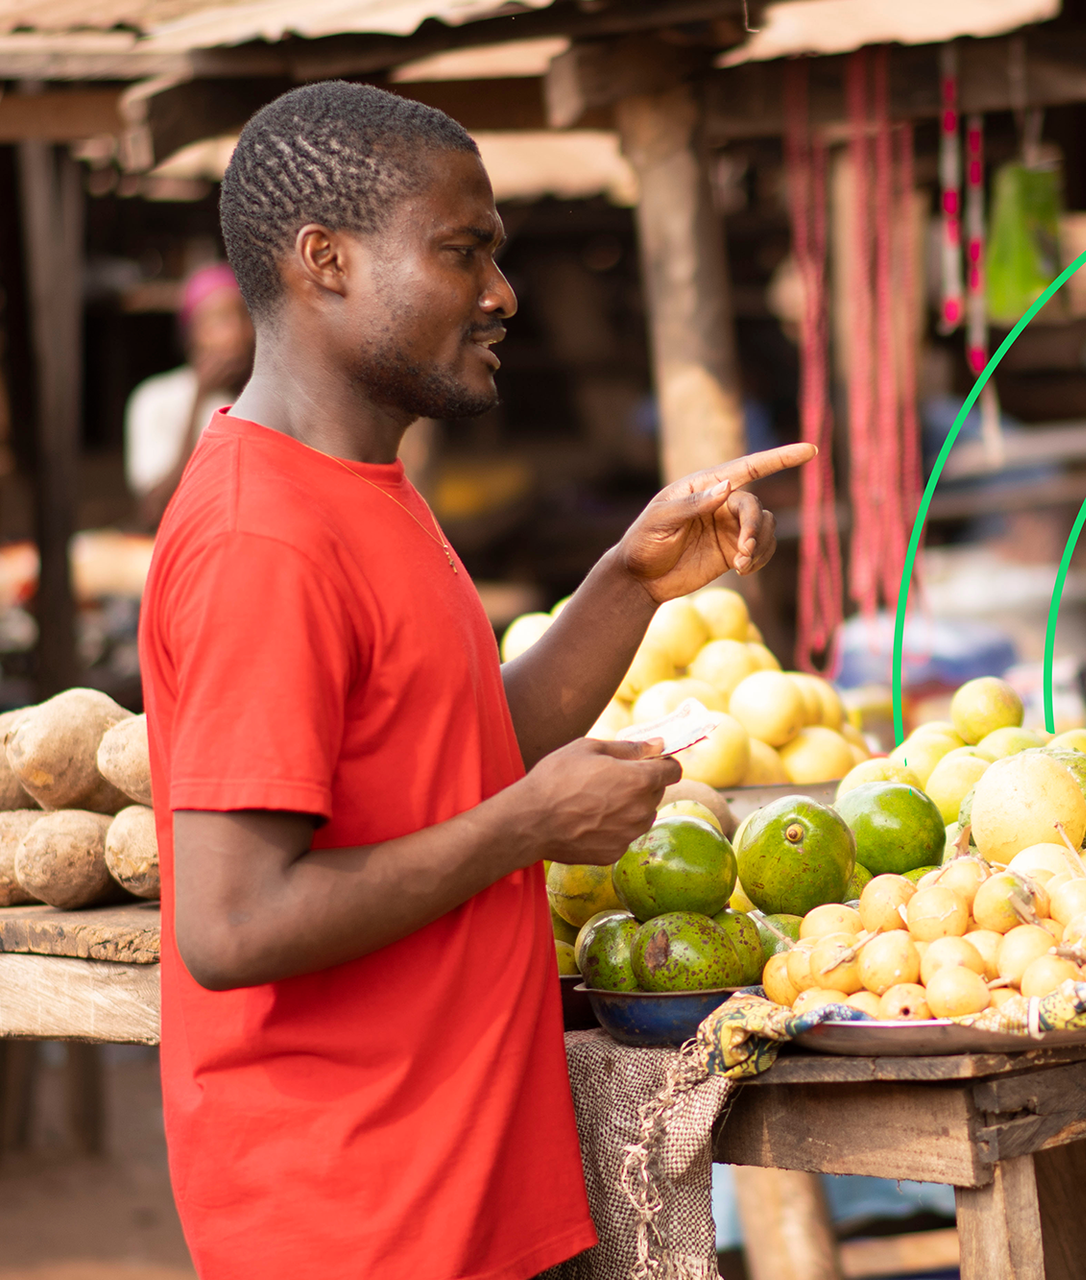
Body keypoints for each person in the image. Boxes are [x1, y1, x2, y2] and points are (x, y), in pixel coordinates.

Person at [137, 82, 814, 1280]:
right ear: (324, 261)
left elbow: (461, 750)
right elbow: (233, 924)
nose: (503, 295)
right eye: (465, 253)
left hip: (463, 1194)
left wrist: (625, 581)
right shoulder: (264, 538)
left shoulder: (363, 491)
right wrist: (526, 826)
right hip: (358, 1222)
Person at [124, 263, 255, 527]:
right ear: (191, 333)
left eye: (243, 317)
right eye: (220, 320)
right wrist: (200, 396)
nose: (237, 333)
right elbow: (154, 509)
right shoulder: (155, 399)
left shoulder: (264, 399)